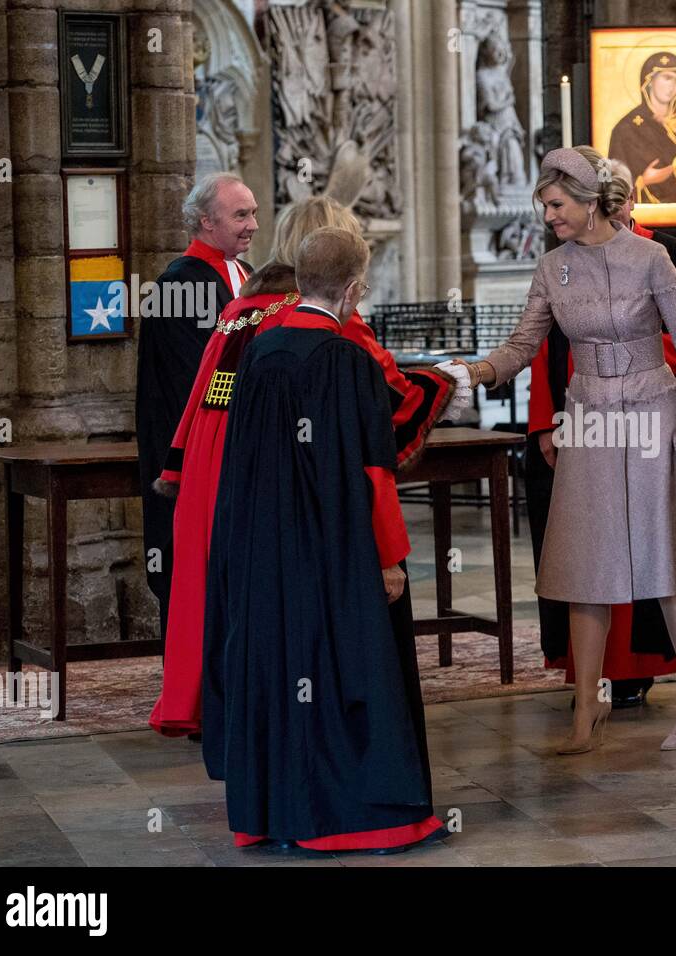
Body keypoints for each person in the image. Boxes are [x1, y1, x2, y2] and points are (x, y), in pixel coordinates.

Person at [451, 145, 676, 754]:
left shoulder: (652, 257)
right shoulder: (553, 268)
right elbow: (524, 344)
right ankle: (586, 707)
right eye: (545, 207)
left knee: (669, 559)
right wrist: (474, 371)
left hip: (656, 411)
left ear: (586, 201)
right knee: (586, 566)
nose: (549, 216)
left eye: (555, 205)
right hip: (591, 419)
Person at [147, 196, 456, 738]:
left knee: (222, 584)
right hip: (284, 466)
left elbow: (203, 389)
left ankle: (218, 704)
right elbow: (386, 401)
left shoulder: (243, 304)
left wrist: (179, 466)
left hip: (214, 452)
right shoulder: (318, 313)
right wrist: (451, 379)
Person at [202, 227, 444, 852]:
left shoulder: (259, 347)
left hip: (263, 544)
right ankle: (355, 820)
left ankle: (274, 816)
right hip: (333, 548)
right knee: (343, 670)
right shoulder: (348, 361)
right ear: (355, 289)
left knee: (281, 667)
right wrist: (389, 559)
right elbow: (374, 472)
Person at [137, 172, 256, 641]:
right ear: (206, 221)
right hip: (194, 454)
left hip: (234, 452)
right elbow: (205, 380)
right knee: (190, 574)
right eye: (241, 214)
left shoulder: (244, 275)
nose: (253, 225)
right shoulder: (178, 285)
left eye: (254, 213)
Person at [608, 52, 676, 204]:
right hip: (641, 217)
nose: (672, 85)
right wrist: (643, 182)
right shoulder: (626, 129)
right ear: (650, 80)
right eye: (667, 78)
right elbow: (614, 187)